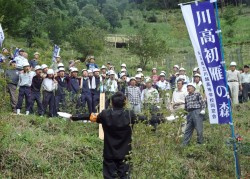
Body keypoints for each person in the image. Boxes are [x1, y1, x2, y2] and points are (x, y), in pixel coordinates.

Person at [96, 92, 136, 179]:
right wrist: (164, 119)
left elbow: (90, 117)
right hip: (126, 153)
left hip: (109, 152)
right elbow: (146, 118)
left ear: (111, 103)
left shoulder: (105, 114)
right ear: (125, 102)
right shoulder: (130, 115)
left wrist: (74, 117)